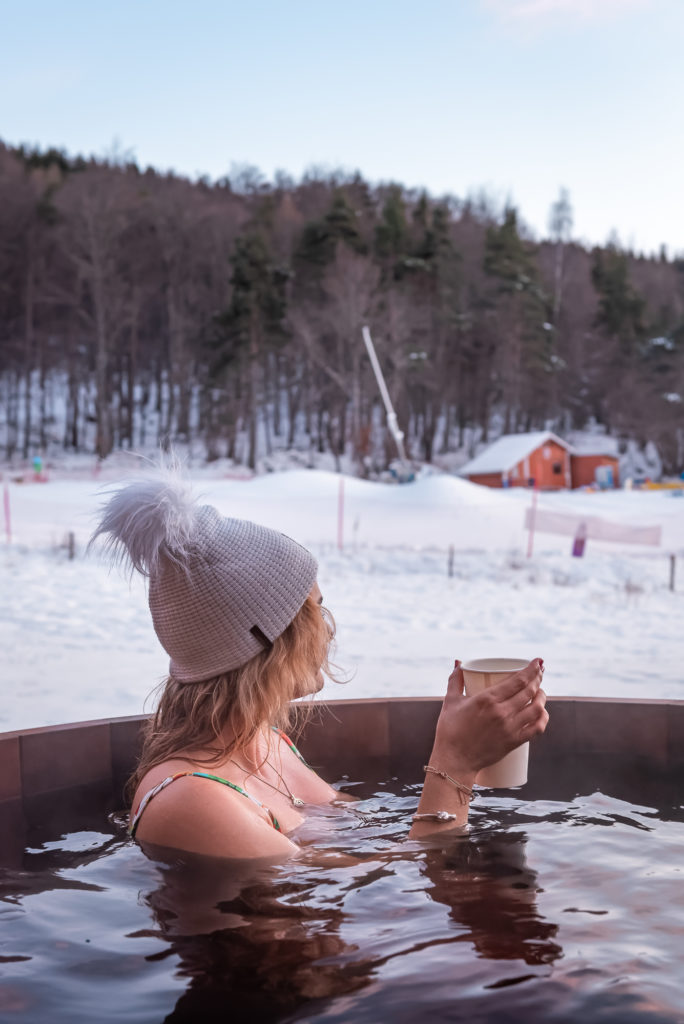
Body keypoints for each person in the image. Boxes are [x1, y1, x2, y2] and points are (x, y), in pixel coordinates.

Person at [91, 472, 548, 861]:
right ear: (270, 640)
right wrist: (457, 763)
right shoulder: (191, 799)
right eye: (315, 610)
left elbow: (374, 852)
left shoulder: (268, 746)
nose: (327, 631)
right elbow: (395, 905)